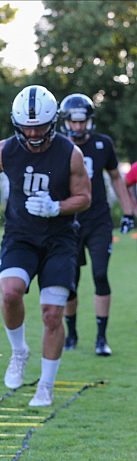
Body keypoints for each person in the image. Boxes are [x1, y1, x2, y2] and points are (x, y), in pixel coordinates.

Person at [0, 85, 91, 407]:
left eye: (39, 126)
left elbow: (85, 197)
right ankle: (19, 351)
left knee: (52, 314)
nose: (32, 132)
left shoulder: (71, 152)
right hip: (21, 236)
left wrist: (57, 207)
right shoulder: (5, 149)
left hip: (59, 240)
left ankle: (46, 383)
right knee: (10, 291)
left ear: (53, 122)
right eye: (26, 126)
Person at [57, 93, 135, 356]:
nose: (78, 127)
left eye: (83, 122)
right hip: (70, 222)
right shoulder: (57, 146)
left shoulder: (103, 144)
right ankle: (72, 333)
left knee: (100, 275)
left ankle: (101, 338)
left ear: (89, 121)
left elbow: (116, 177)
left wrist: (128, 212)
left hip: (99, 220)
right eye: (74, 122)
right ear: (66, 121)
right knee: (70, 282)